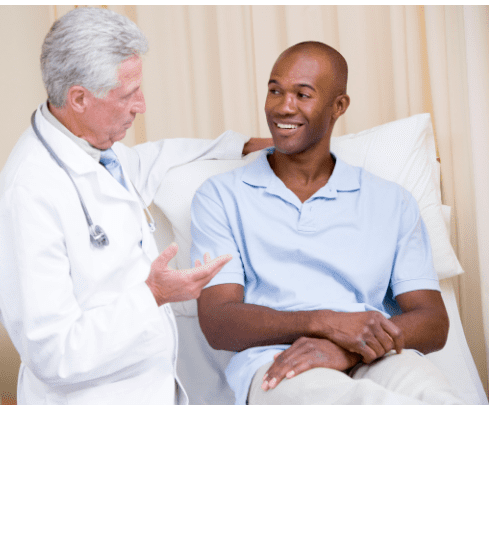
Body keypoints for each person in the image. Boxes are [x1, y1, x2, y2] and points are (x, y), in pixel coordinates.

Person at [0, 7, 270, 405]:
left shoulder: (99, 152)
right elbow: (53, 353)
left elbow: (158, 156)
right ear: (79, 98)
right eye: (128, 94)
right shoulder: (28, 195)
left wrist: (244, 146)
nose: (142, 105)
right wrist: (151, 294)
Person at [191, 41, 465, 405]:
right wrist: (324, 322)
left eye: (303, 95)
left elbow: (433, 322)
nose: (283, 107)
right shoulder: (221, 196)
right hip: (279, 362)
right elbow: (218, 322)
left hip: (375, 355)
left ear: (339, 106)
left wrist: (348, 349)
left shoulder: (391, 201)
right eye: (275, 91)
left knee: (439, 398)